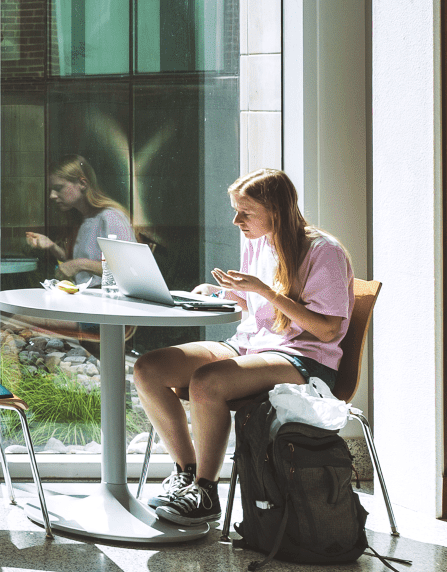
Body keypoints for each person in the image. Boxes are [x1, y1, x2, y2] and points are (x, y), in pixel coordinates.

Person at [131, 168, 352, 526]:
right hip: (251, 344)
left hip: (303, 358)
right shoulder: (258, 241)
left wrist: (265, 291)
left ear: (276, 211)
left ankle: (206, 490)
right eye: (236, 210)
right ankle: (187, 475)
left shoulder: (323, 251)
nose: (236, 221)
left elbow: (326, 331)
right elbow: (254, 307)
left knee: (207, 381)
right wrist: (219, 293)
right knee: (149, 369)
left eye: (246, 212)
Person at [25, 155, 136, 286]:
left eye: (58, 188)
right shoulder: (85, 218)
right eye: (51, 190)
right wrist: (51, 246)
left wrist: (79, 264)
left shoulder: (111, 217)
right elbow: (76, 265)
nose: (52, 196)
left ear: (83, 184)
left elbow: (129, 269)